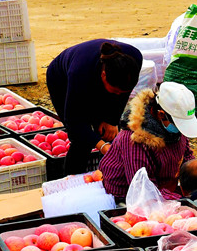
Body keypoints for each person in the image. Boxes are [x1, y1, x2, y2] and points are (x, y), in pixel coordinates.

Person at [46, 39, 142, 173]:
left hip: (95, 77)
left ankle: (109, 174)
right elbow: (74, 122)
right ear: (103, 75)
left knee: (107, 131)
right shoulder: (80, 73)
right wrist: (102, 146)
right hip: (61, 79)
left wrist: (111, 120)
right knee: (81, 140)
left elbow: (122, 95)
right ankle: (71, 178)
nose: (118, 94)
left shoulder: (134, 58)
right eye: (115, 91)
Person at [100, 81, 197, 201]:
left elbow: (186, 157)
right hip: (128, 198)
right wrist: (179, 199)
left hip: (164, 190)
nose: (180, 130)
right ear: (161, 114)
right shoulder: (135, 140)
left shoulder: (174, 131)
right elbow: (143, 190)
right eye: (178, 124)